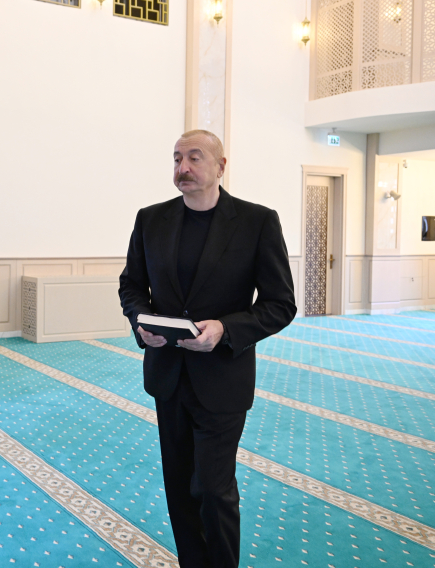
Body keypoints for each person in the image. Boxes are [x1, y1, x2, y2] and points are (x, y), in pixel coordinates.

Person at [118, 129, 297, 568]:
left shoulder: (257, 222)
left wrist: (225, 328)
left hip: (222, 378)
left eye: (194, 157)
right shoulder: (151, 219)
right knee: (180, 488)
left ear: (221, 166)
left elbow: (280, 304)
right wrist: (141, 323)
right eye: (177, 158)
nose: (183, 167)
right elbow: (131, 287)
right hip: (168, 376)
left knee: (214, 490)